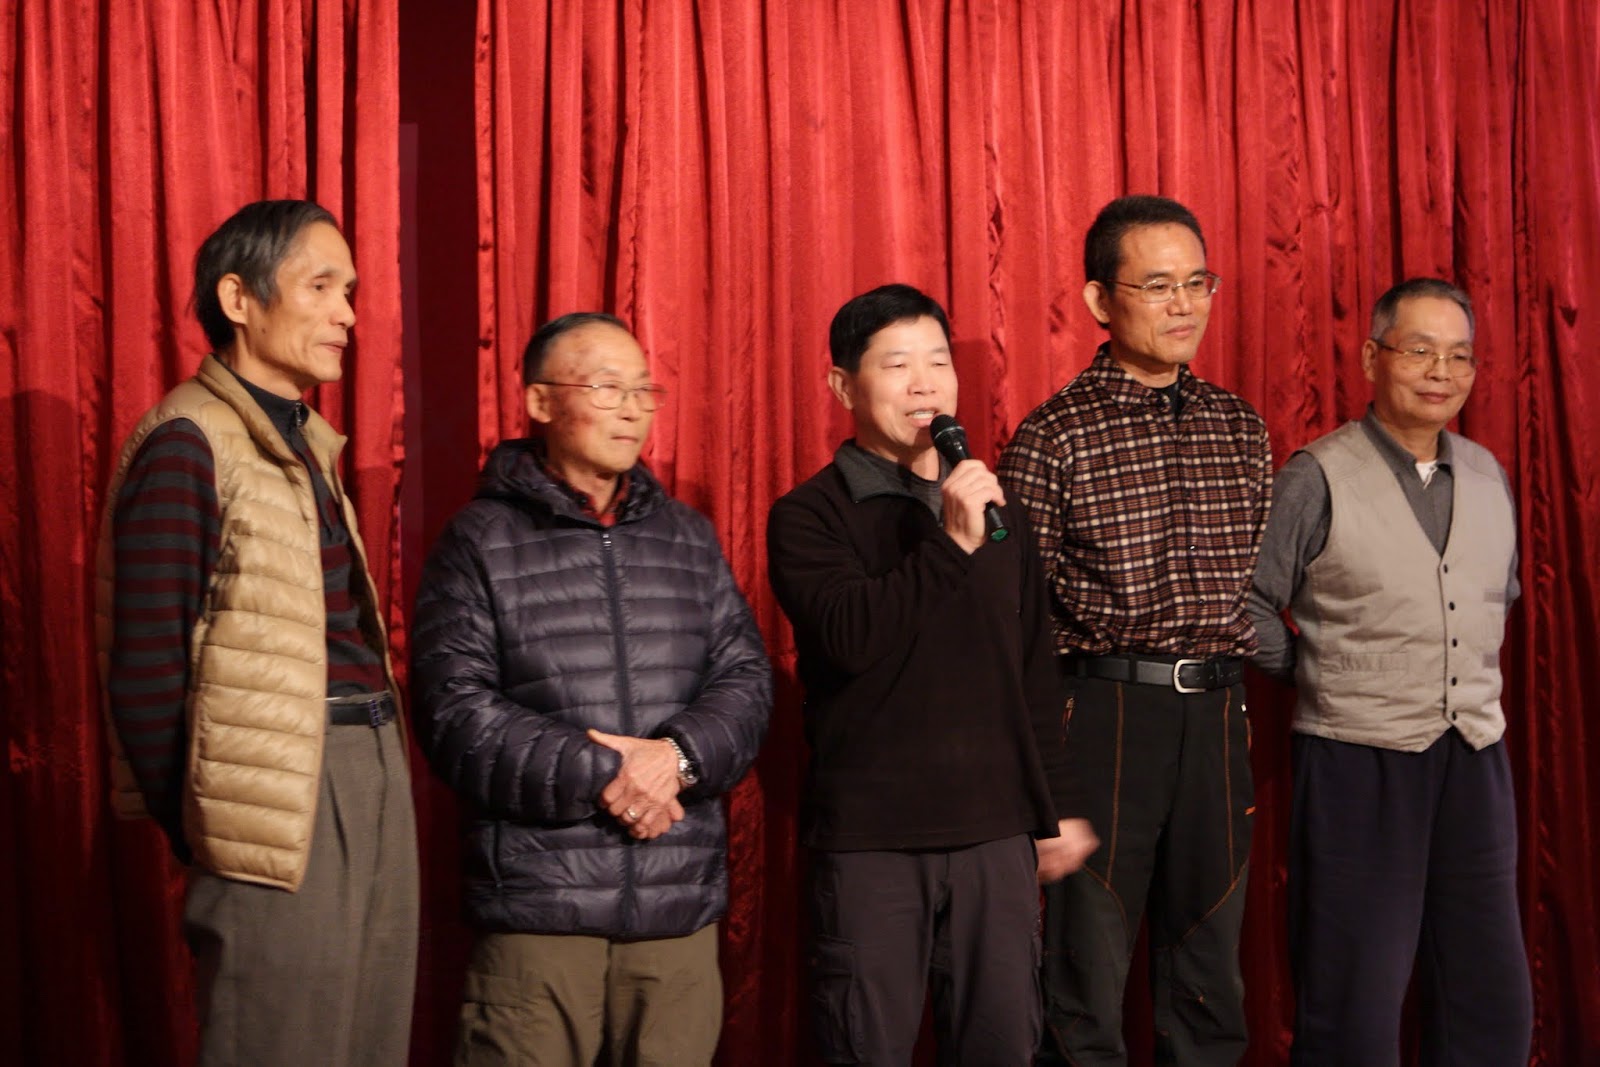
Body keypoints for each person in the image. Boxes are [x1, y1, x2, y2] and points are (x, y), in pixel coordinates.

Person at [95, 199, 418, 1065]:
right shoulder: (188, 441)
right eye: (321, 286)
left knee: (371, 1040)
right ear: (238, 299)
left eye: (350, 292)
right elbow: (146, 670)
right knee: (281, 1043)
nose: (347, 314)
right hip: (275, 792)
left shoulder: (305, 441)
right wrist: (213, 821)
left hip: (370, 759)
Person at [410, 312, 771, 1066]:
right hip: (540, 912)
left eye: (644, 390)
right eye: (607, 388)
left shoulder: (688, 537)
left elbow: (745, 680)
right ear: (539, 401)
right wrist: (612, 773)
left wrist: (675, 759)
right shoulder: (478, 539)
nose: (633, 409)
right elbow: (455, 712)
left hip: (675, 909)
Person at [767, 283, 1098, 1065]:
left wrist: (1055, 809)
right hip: (874, 840)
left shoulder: (997, 511)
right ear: (843, 386)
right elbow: (851, 635)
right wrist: (950, 546)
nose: (924, 383)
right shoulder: (809, 514)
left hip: (996, 836)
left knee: (1003, 1045)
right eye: (897, 364)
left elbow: (1031, 670)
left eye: (938, 362)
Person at [998, 195, 1271, 1066]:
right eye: (1157, 285)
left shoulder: (1240, 427)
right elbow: (1013, 620)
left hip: (1218, 714)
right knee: (1086, 977)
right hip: (1104, 715)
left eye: (1198, 282)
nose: (1183, 304)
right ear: (1098, 300)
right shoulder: (1054, 435)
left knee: (1210, 972)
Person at [1247, 278, 1532, 1065]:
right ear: (1374, 358)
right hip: (1357, 762)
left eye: (1460, 356)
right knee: (1355, 999)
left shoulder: (1488, 473)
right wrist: (1321, 671)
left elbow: (1497, 599)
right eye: (1420, 351)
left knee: (1491, 996)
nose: (1442, 371)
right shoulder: (1317, 474)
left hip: (1475, 758)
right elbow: (1253, 605)